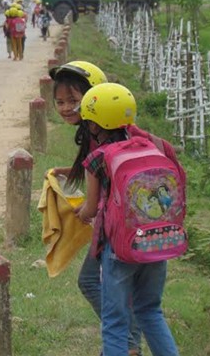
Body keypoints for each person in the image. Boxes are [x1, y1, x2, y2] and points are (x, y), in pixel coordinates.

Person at [74, 83, 180, 356]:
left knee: (115, 322)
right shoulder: (151, 147)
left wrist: (80, 213)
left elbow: (91, 208)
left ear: (96, 123)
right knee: (150, 311)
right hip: (158, 242)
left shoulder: (98, 157)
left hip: (120, 250)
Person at [49, 62, 142, 356]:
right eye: (60, 102)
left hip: (117, 225)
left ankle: (126, 343)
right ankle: (125, 344)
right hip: (128, 220)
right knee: (117, 289)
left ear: (94, 98)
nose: (66, 108)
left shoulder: (98, 133)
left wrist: (86, 211)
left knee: (91, 281)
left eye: (73, 101)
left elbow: (98, 170)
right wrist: (67, 170)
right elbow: (93, 168)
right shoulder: (101, 130)